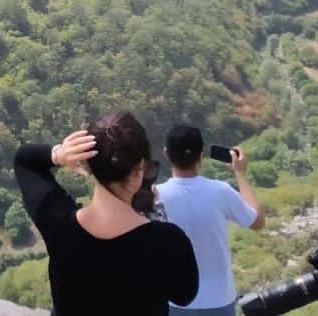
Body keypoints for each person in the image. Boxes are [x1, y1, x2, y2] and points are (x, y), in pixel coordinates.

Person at [15, 110, 200, 315]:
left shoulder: (58, 223)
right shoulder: (169, 241)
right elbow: (184, 296)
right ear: (140, 169)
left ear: (89, 164)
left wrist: (59, 155)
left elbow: (24, 161)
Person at [157, 124, 266, 316]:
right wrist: (240, 173)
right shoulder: (220, 191)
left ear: (166, 153)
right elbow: (257, 221)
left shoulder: (155, 195)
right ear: (201, 156)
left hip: (176, 300)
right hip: (219, 300)